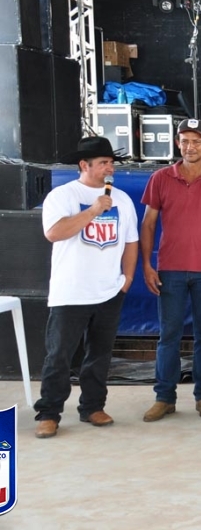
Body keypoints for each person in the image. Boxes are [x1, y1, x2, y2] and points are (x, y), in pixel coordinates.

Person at [34, 137, 139, 439]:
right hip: (71, 292)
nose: (110, 168)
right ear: (84, 165)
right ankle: (49, 412)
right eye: (103, 163)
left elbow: (131, 241)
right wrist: (93, 210)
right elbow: (53, 233)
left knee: (100, 355)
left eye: (112, 163)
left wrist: (127, 279)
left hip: (109, 291)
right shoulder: (63, 195)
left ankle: (92, 406)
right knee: (59, 356)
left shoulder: (122, 199)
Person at [140, 118, 201, 422]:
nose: (190, 146)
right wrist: (146, 264)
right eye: (184, 140)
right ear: (177, 142)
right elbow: (148, 223)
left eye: (197, 141)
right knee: (168, 335)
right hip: (169, 269)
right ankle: (164, 397)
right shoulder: (160, 178)